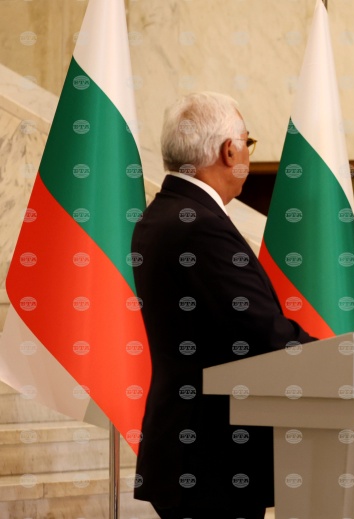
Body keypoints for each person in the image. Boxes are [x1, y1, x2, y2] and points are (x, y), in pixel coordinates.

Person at [132, 92, 314, 519]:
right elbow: (261, 332)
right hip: (211, 460)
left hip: (192, 452)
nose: (247, 154)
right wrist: (348, 358)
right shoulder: (198, 225)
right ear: (229, 151)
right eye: (248, 144)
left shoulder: (164, 214)